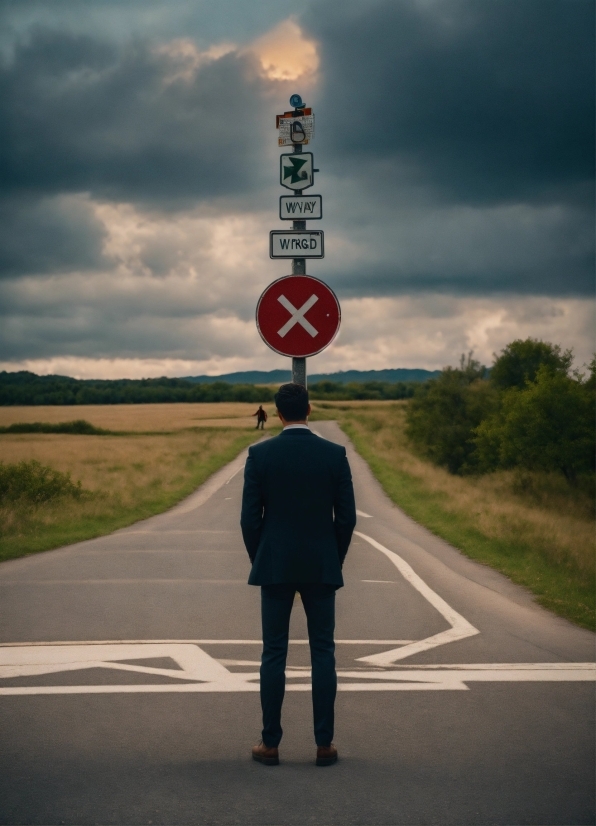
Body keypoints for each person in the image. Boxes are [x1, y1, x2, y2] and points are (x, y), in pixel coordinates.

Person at [240, 383, 356, 767]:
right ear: (310, 410)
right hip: (321, 566)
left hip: (274, 565)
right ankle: (324, 744)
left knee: (273, 653)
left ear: (277, 414)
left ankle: (270, 744)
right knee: (323, 652)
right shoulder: (334, 455)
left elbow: (248, 520)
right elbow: (347, 519)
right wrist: (332, 558)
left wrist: (263, 559)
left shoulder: (260, 454)